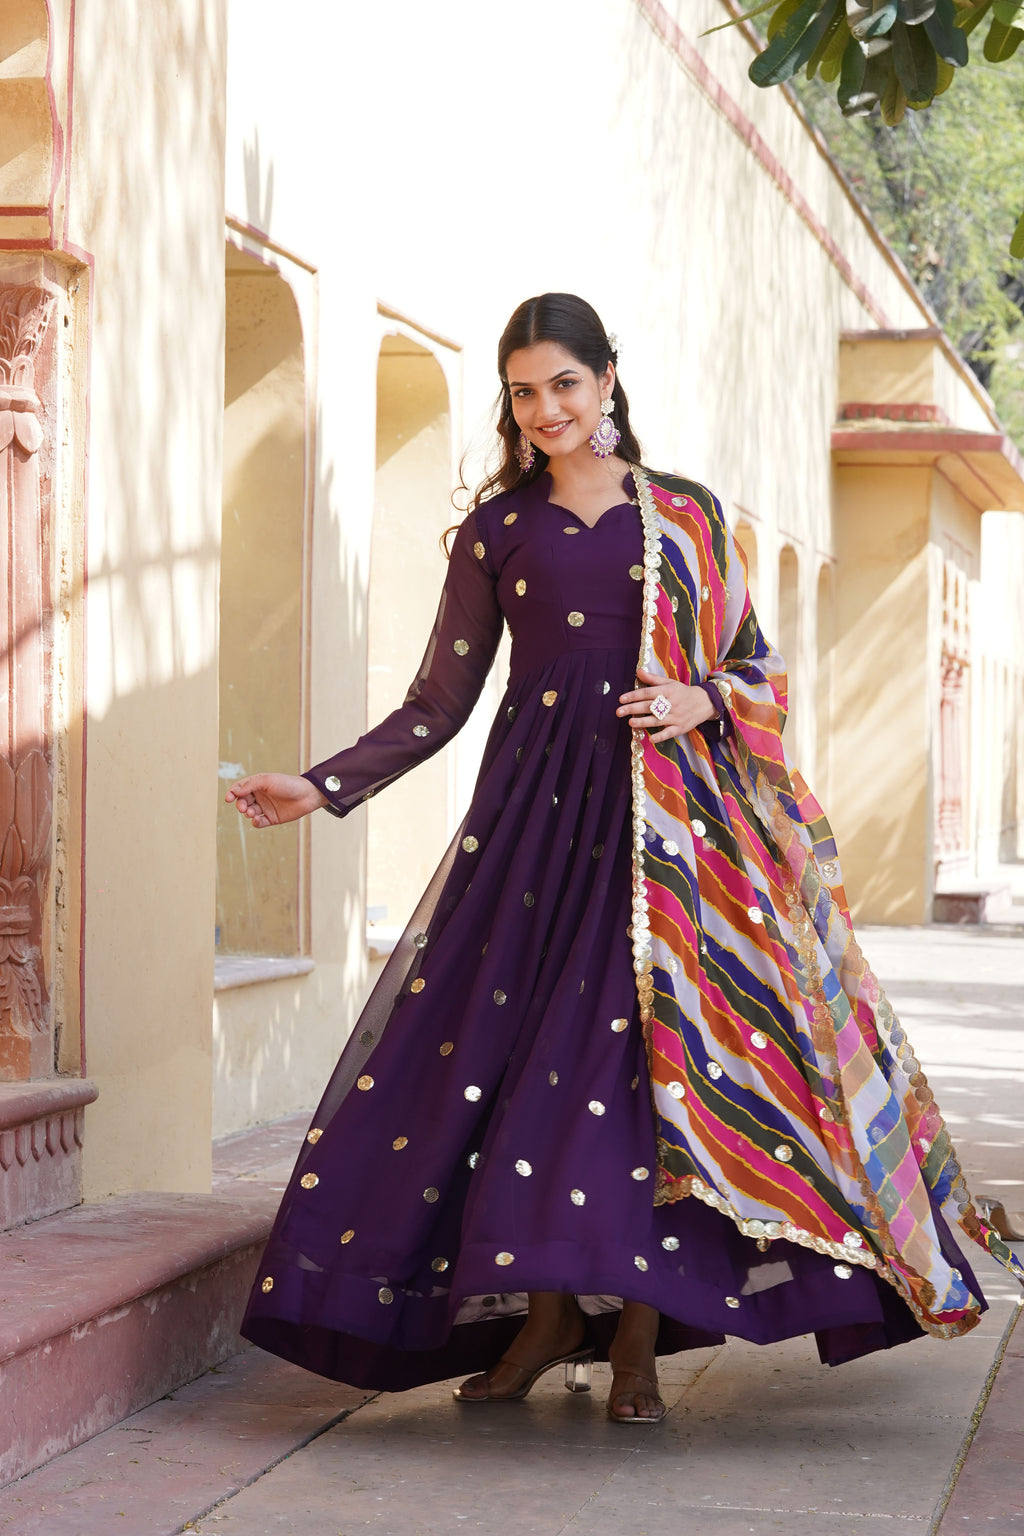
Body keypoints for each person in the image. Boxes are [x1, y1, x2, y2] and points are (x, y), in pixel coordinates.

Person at [227, 292, 1022, 1424]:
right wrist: (321, 785)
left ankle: (637, 1335)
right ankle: (550, 1318)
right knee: (526, 1070)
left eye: (564, 383)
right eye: (523, 392)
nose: (545, 408)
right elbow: (438, 701)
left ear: (606, 379)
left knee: (647, 1077)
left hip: (673, 843)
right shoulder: (498, 529)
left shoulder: (684, 515)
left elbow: (759, 666)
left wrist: (704, 697)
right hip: (535, 836)